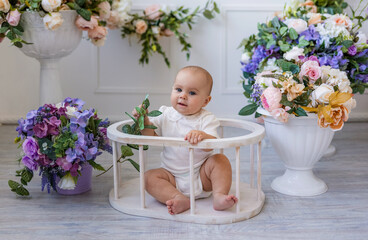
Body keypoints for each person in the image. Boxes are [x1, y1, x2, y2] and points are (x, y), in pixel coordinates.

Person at [132, 66, 238, 215]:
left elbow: (212, 143)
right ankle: (178, 197)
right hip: (171, 177)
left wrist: (202, 135)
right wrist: (143, 119)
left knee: (220, 160)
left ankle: (219, 195)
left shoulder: (207, 118)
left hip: (201, 174)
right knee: (148, 177)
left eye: (192, 92)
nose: (183, 96)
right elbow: (149, 135)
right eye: (178, 90)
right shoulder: (165, 113)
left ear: (205, 101)